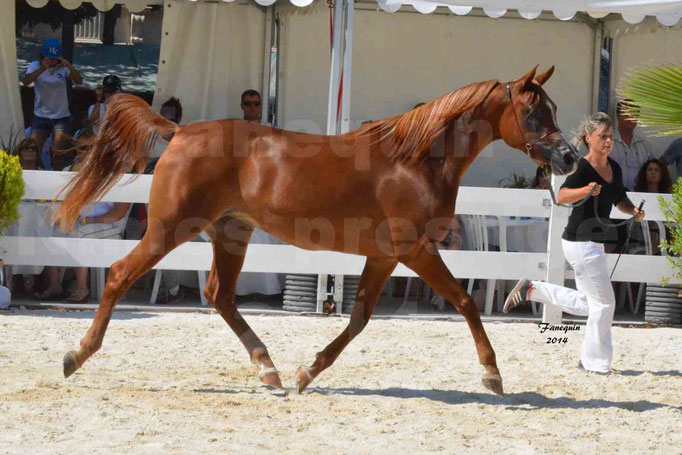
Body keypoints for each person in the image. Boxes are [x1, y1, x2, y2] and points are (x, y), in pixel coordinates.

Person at [503, 112, 644, 374]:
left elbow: (619, 198)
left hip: (593, 243)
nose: (608, 141)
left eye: (610, 136)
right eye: (603, 136)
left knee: (588, 304)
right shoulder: (582, 167)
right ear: (589, 139)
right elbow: (563, 194)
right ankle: (594, 363)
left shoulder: (615, 168)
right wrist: (587, 190)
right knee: (605, 304)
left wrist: (633, 210)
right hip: (580, 242)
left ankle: (533, 290)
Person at [22, 39, 82, 170]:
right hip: (40, 115)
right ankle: (40, 174)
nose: (52, 62)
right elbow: (26, 82)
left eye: (55, 59)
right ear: (43, 56)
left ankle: (56, 179)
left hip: (60, 116)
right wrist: (44, 68)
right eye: (50, 59)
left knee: (56, 153)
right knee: (33, 150)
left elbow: (79, 81)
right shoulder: (35, 65)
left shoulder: (62, 68)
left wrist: (69, 66)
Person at [610, 100, 653, 191]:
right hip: (613, 198)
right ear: (618, 116)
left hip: (640, 199)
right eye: (626, 114)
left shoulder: (644, 145)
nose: (630, 118)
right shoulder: (607, 142)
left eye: (634, 115)